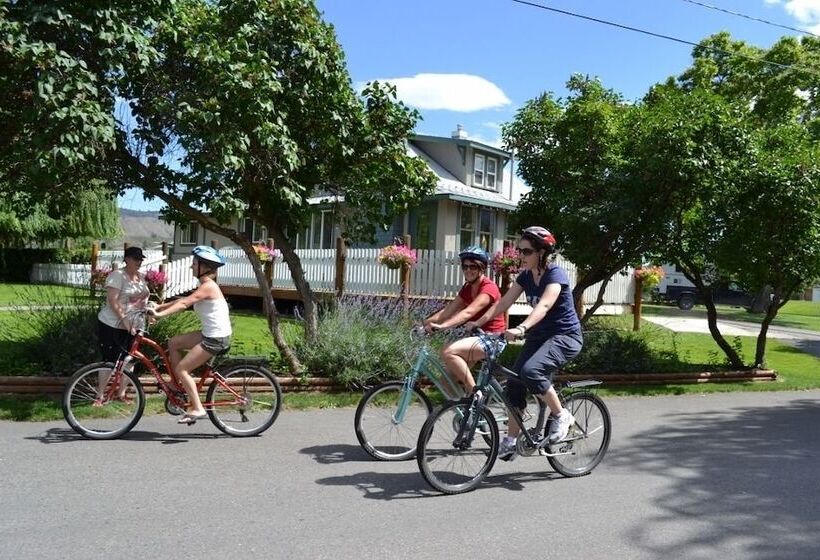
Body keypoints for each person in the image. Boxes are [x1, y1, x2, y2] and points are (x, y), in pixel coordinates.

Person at [466, 226, 583, 461]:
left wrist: (521, 327)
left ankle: (562, 416)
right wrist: (479, 321)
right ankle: (510, 441)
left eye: (526, 251)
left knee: (531, 371)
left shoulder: (555, 274)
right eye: (519, 250)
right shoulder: (526, 277)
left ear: (541, 252)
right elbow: (503, 302)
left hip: (564, 336)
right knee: (514, 383)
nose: (521, 256)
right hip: (539, 337)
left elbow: (545, 305)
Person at [148, 245, 232, 424]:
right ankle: (177, 385)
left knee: (183, 368)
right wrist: (159, 306)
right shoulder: (204, 285)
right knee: (173, 343)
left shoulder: (209, 287)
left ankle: (197, 407)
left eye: (194, 263)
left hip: (215, 339)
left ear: (204, 267)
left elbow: (185, 304)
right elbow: (182, 300)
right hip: (210, 334)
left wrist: (159, 315)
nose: (191, 266)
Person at [423, 246, 507, 394]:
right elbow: (448, 310)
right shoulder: (467, 288)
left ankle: (475, 393)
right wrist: (426, 323)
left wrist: (443, 327)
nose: (468, 270)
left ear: (482, 268)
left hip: (492, 339)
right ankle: (466, 414)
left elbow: (468, 312)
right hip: (476, 337)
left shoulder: (489, 288)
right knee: (445, 382)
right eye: (465, 266)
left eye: (473, 266)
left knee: (448, 352)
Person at [96, 246, 149, 403]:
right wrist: (125, 320)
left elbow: (143, 298)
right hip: (113, 324)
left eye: (141, 259)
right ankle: (100, 395)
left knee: (129, 359)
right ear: (127, 259)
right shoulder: (117, 276)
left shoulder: (141, 277)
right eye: (135, 259)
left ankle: (121, 394)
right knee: (110, 360)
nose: (139, 262)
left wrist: (148, 313)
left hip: (136, 325)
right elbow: (113, 300)